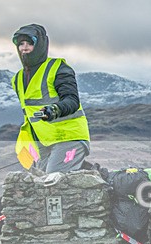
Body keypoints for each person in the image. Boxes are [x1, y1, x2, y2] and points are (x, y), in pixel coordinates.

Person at [11, 24, 91, 173]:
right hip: (42, 143)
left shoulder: (58, 68)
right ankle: (87, 170)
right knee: (39, 184)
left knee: (53, 180)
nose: (24, 48)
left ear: (40, 44)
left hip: (69, 138)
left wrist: (53, 110)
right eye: (21, 44)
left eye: (30, 43)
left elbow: (72, 101)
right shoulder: (17, 79)